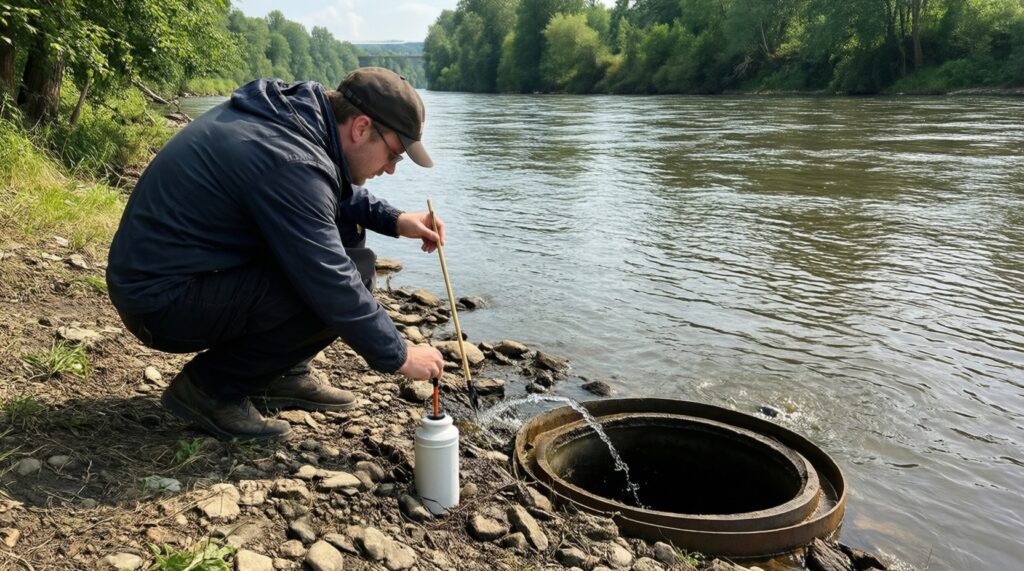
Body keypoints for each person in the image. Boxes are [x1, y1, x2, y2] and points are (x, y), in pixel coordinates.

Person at [106, 67, 446, 441]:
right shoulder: (291, 160)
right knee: (342, 281)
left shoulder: (293, 121)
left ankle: (279, 373)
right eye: (394, 154)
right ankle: (210, 389)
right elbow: (330, 280)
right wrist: (400, 356)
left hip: (169, 275)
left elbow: (327, 186)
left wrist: (397, 220)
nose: (392, 169)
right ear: (361, 128)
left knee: (349, 246)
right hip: (159, 302)